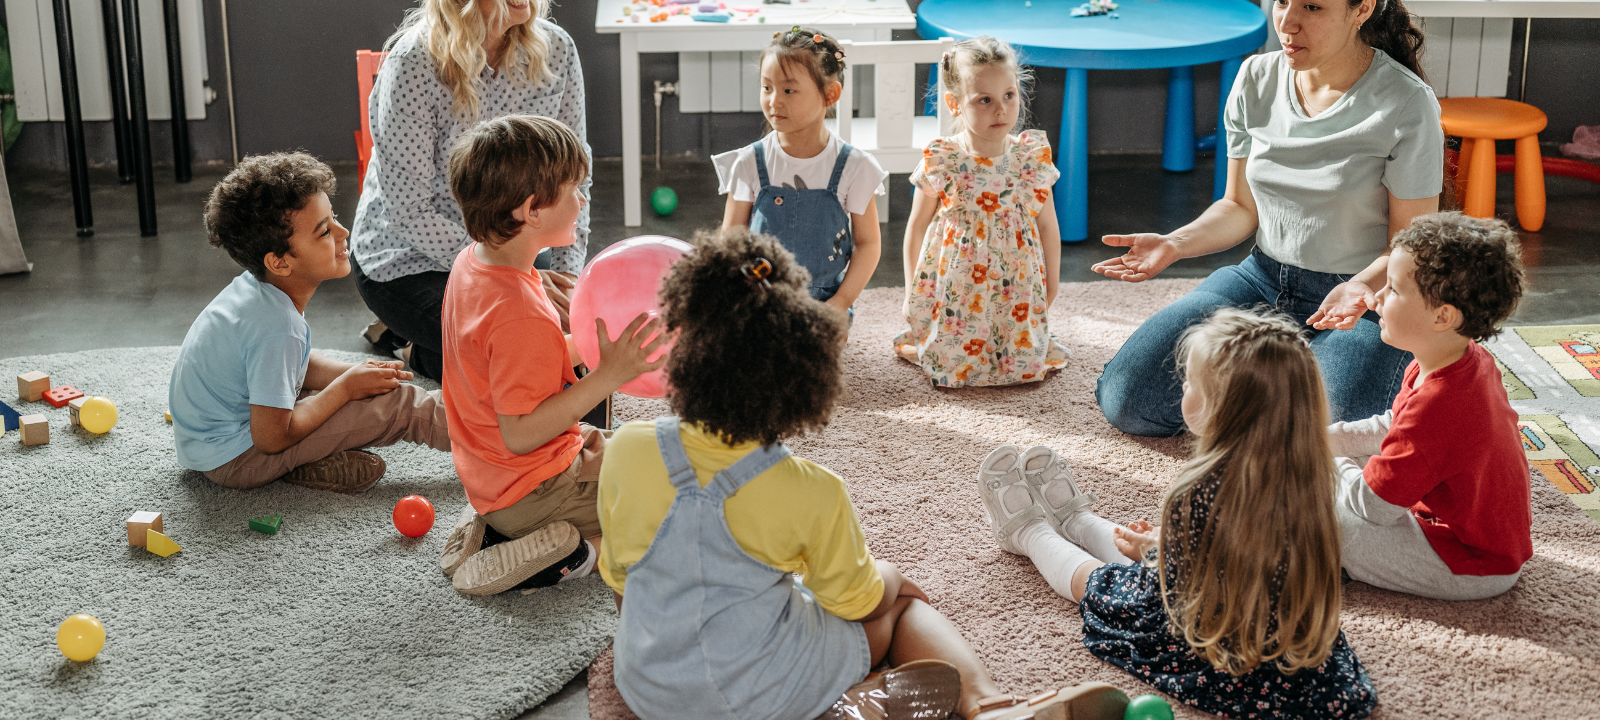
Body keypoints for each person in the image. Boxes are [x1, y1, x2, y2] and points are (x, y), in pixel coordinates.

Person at [599, 227, 1127, 720]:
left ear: (680, 352)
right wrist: (894, 579)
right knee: (897, 609)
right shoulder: (811, 490)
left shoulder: (626, 448)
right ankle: (989, 707)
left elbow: (622, 579)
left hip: (649, 688)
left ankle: (854, 696)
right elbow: (857, 601)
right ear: (802, 379)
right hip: (758, 695)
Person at [977, 308, 1377, 719]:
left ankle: (1029, 533)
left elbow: (1183, 583)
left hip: (1221, 645)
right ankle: (1076, 521)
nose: (1183, 386)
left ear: (1219, 408)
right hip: (1291, 647)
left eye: (1190, 383)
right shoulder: (1315, 474)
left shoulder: (1201, 489)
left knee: (1099, 584)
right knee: (1141, 557)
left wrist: (1153, 553)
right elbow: (1239, 555)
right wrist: (1164, 547)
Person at [1093, 0, 1442, 435]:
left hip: (1364, 300)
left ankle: (1277, 391)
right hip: (1262, 277)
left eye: (1312, 7)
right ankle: (1277, 388)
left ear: (1362, 9)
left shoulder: (1407, 102)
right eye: (1281, 1)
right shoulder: (1256, 77)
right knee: (1128, 400)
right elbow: (1239, 207)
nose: (1287, 21)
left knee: (1325, 438)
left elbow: (1410, 246)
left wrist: (1358, 287)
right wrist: (1175, 243)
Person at [434, 116, 664, 597]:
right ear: (531, 211)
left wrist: (586, 348)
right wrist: (608, 375)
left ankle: (494, 529)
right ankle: (572, 553)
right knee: (672, 508)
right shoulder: (518, 312)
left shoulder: (475, 262)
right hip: (534, 486)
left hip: (494, 476)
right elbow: (521, 434)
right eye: (573, 189)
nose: (582, 200)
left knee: (647, 448)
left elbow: (511, 368)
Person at [170, 152, 450, 493]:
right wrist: (346, 388)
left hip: (212, 445)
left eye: (334, 218)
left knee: (355, 388)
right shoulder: (277, 328)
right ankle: (498, 440)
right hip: (239, 458)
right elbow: (272, 437)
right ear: (279, 262)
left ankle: (310, 463)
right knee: (396, 406)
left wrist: (351, 373)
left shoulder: (258, 289)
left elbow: (296, 363)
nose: (343, 231)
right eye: (324, 232)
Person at [350, 0, 591, 381]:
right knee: (527, 362)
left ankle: (421, 336)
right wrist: (510, 271)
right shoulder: (414, 62)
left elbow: (574, 177)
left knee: (573, 347)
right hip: (409, 260)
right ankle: (412, 344)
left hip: (513, 243)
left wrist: (567, 279)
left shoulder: (556, 50)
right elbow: (409, 211)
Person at [1328, 213, 1530, 600]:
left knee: (1337, 526)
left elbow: (1373, 508)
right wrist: (1322, 440)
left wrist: (1322, 459)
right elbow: (1393, 426)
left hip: (1473, 562)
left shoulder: (1441, 403)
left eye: (1393, 289)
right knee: (1331, 475)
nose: (1377, 298)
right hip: (1451, 526)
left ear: (1442, 316)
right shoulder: (1455, 359)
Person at [895, 36, 1066, 387]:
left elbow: (1048, 226)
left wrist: (1052, 283)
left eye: (1008, 96)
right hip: (958, 286)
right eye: (984, 100)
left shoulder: (1030, 158)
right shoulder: (943, 159)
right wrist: (913, 290)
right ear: (954, 103)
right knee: (952, 359)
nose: (1000, 110)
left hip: (1016, 284)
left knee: (1018, 360)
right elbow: (916, 228)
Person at [715, 26, 885, 325]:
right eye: (767, 88)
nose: (774, 101)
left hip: (824, 306)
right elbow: (731, 239)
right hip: (759, 300)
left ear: (829, 95)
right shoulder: (749, 162)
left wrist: (841, 302)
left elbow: (868, 243)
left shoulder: (854, 167)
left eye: (789, 90)